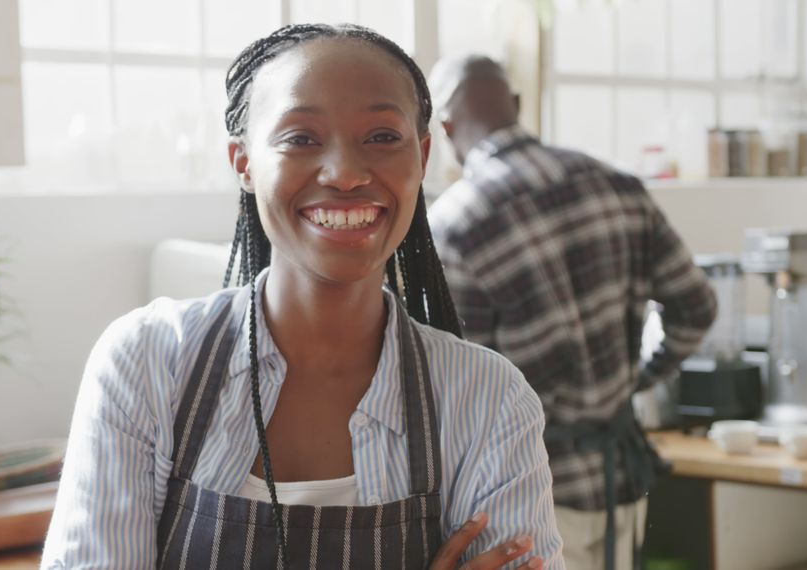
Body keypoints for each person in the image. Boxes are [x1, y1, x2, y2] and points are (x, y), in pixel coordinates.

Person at [42, 26, 563, 569]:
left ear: (423, 155)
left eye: (382, 137)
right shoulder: (148, 362)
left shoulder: (488, 401)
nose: (344, 174)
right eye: (301, 138)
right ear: (243, 162)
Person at [426, 55, 717, 570]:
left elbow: (458, 393)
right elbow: (696, 306)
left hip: (524, 498)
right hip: (618, 481)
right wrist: (635, 379)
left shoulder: (454, 224)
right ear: (516, 106)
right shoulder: (617, 185)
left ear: (445, 129)